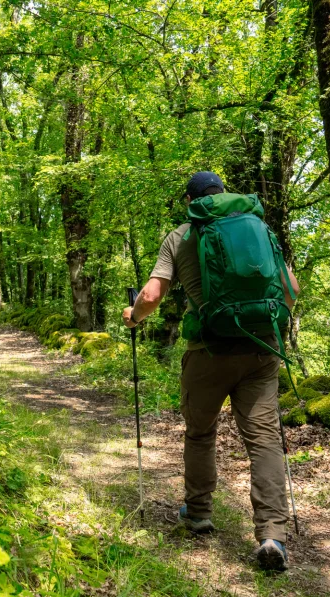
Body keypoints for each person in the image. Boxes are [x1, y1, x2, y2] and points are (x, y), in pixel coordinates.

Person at [122, 171, 300, 571]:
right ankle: (272, 534)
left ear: (191, 200)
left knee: (200, 432)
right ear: (224, 195)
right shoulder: (256, 228)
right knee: (265, 440)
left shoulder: (181, 236)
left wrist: (133, 316)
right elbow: (291, 289)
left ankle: (199, 513)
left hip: (208, 351)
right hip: (261, 350)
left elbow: (151, 294)